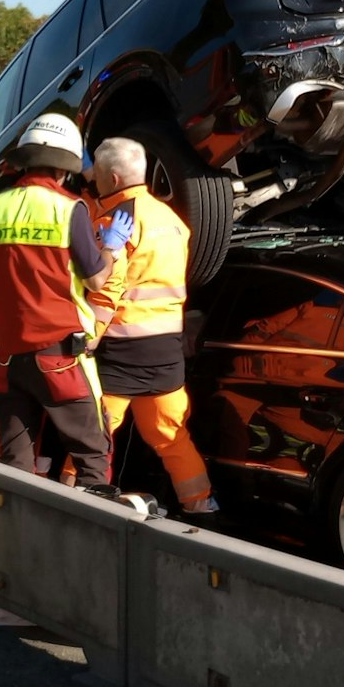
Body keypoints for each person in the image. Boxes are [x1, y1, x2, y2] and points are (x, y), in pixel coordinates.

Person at [0, 113, 128, 496]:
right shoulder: (69, 209)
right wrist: (113, 248)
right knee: (92, 455)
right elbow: (96, 280)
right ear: (65, 167)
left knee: (16, 462)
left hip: (9, 359)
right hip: (61, 360)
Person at [85, 137, 217, 515]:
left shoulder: (115, 220)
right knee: (171, 436)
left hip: (120, 350)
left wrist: (88, 338)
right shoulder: (171, 219)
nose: (92, 178)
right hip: (166, 351)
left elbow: (108, 288)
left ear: (111, 177)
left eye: (96, 172)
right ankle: (202, 508)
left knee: (94, 435)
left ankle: (73, 499)